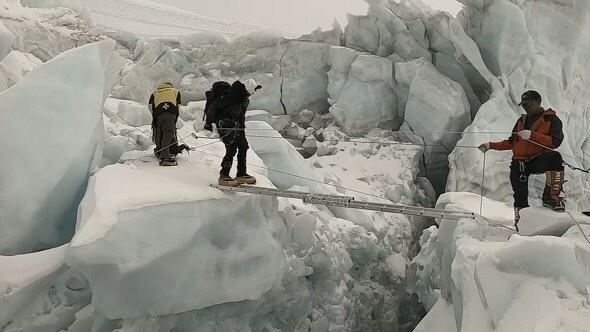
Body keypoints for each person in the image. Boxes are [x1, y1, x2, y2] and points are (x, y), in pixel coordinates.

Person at [478, 90, 565, 229]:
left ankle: (551, 198)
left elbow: (555, 142)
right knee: (520, 195)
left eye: (529, 103)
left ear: (538, 101)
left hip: (537, 159)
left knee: (555, 157)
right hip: (519, 163)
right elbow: (512, 142)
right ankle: (522, 224)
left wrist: (532, 136)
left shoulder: (551, 120)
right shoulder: (521, 121)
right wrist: (490, 145)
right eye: (523, 104)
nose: (526, 107)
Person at [204, 79, 261, 186]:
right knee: (232, 147)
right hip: (224, 123)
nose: (249, 95)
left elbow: (241, 115)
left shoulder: (243, 100)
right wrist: (209, 122)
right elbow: (214, 106)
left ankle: (241, 173)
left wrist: (241, 129)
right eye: (248, 93)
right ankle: (224, 174)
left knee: (243, 146)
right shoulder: (229, 95)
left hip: (235, 125)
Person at [149, 82, 181, 166]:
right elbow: (178, 105)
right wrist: (175, 118)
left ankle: (161, 150)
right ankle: (165, 157)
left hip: (159, 114)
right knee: (169, 133)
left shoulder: (155, 93)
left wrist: (155, 116)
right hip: (170, 113)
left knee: (162, 132)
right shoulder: (175, 91)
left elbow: (150, 105)